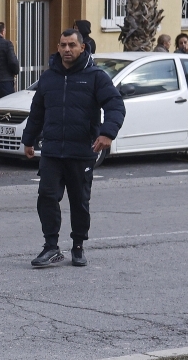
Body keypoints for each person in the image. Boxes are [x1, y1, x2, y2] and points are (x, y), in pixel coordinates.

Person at [21, 29, 125, 268]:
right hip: (52, 151)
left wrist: (107, 133)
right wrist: (29, 139)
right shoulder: (49, 77)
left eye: (71, 45)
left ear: (82, 48)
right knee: (47, 196)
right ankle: (51, 247)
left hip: (81, 151)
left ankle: (78, 246)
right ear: (58, 47)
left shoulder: (96, 76)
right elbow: (37, 111)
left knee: (79, 201)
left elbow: (115, 105)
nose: (67, 49)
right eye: (63, 45)